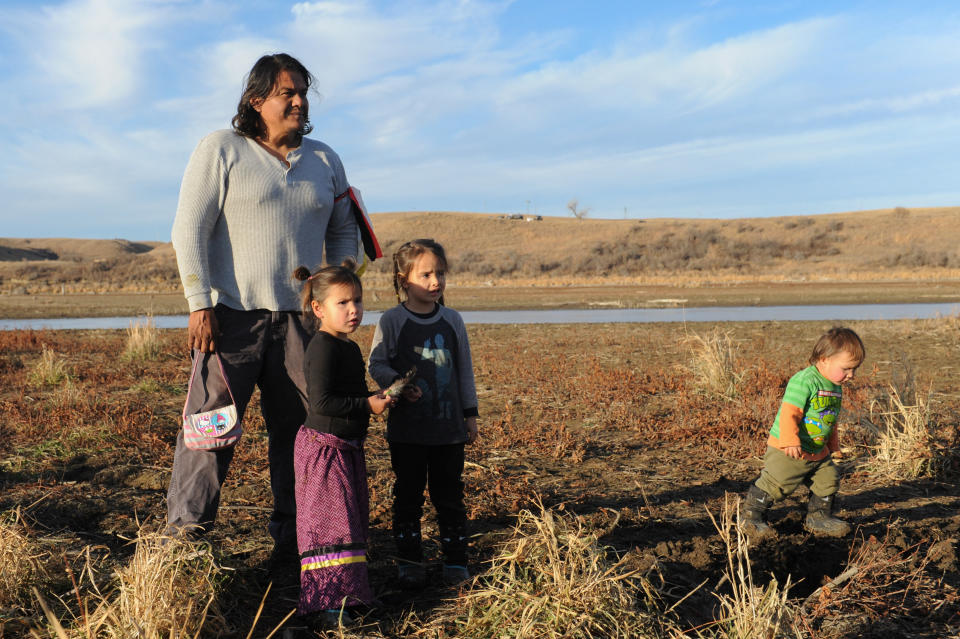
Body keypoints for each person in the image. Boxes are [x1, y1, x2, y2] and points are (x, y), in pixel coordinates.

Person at [166, 53, 364, 572]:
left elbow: (345, 228)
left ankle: (296, 542)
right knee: (209, 432)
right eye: (287, 93)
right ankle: (184, 547)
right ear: (257, 101)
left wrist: (338, 280)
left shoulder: (324, 160)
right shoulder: (221, 150)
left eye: (302, 92)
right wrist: (198, 303)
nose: (299, 101)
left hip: (302, 324)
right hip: (231, 318)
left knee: (301, 432)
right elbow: (188, 230)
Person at [368, 239, 479, 588]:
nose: (436, 282)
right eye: (426, 274)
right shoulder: (392, 320)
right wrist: (398, 385)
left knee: (450, 496)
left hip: (448, 431)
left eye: (440, 274)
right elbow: (376, 363)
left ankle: (456, 562)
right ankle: (408, 561)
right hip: (407, 432)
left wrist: (470, 415)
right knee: (408, 496)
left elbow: (465, 370)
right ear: (404, 279)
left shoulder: (452, 320)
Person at [292, 260, 393, 627]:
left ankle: (349, 599)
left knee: (349, 524)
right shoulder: (322, 347)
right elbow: (321, 403)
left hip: (344, 448)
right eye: (343, 303)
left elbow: (345, 394)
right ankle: (329, 607)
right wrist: (367, 404)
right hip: (324, 452)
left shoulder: (347, 347)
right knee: (330, 528)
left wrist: (378, 396)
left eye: (358, 301)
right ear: (318, 309)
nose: (354, 310)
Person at [742, 327, 865, 539]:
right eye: (846, 369)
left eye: (854, 369)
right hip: (788, 448)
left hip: (817, 450)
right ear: (825, 359)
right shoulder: (805, 381)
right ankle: (751, 519)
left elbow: (829, 419)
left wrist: (833, 446)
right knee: (776, 484)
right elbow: (790, 412)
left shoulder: (835, 386)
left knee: (828, 479)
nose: (851, 375)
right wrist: (790, 440)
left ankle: (818, 519)